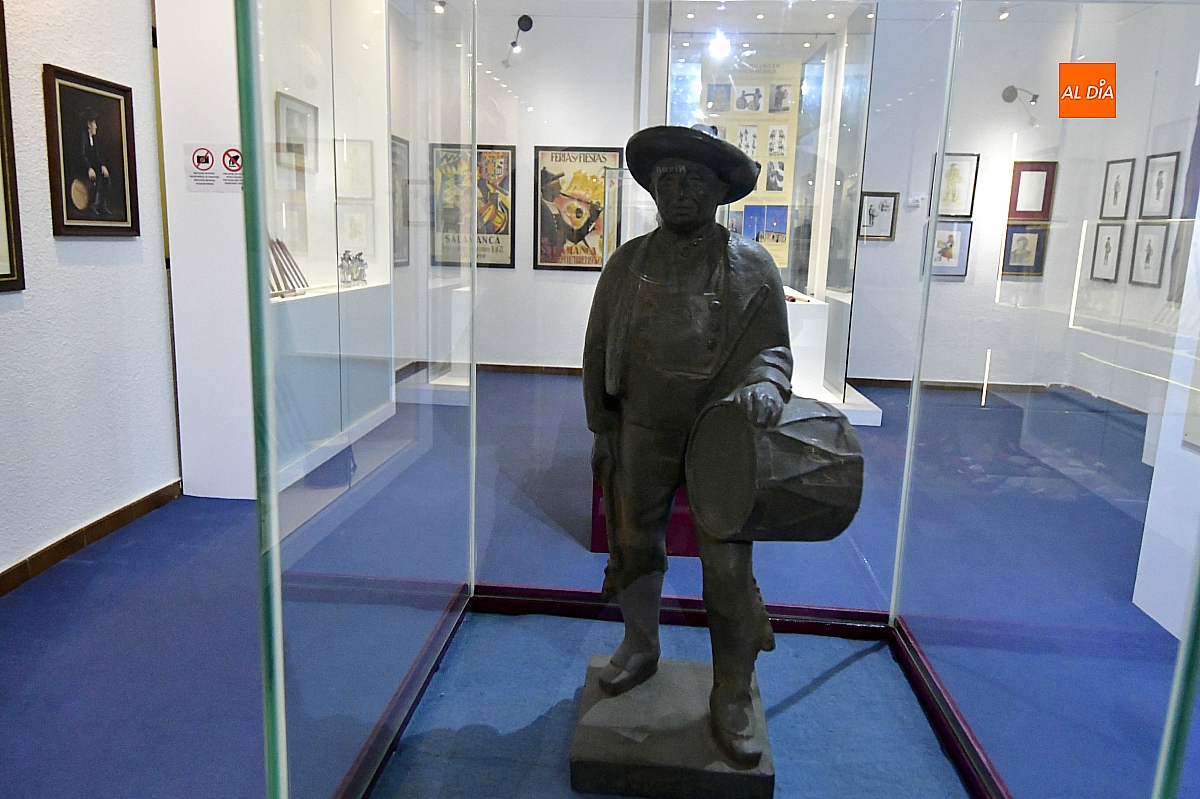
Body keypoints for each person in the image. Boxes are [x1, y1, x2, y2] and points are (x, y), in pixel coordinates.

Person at [583, 125, 791, 767]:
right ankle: (641, 643)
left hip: (719, 439)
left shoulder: (752, 266)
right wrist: (603, 427)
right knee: (633, 543)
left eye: (694, 179)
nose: (678, 190)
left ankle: (732, 691)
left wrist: (765, 385)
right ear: (652, 188)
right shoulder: (626, 264)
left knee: (727, 569)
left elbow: (774, 353)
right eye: (667, 178)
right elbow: (596, 346)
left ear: (720, 191)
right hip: (642, 431)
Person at [538, 167, 600, 264]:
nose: (560, 188)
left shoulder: (556, 210)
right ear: (550, 189)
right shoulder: (539, 209)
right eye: (558, 185)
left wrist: (591, 219)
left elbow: (573, 237)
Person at [78, 108, 112, 217]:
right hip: (82, 166)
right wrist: (88, 168)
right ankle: (92, 204)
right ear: (89, 124)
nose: (96, 126)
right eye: (94, 123)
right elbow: (81, 155)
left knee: (105, 176)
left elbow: (96, 156)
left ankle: (102, 204)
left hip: (92, 166)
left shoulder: (93, 138)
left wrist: (102, 165)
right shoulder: (82, 136)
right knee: (96, 177)